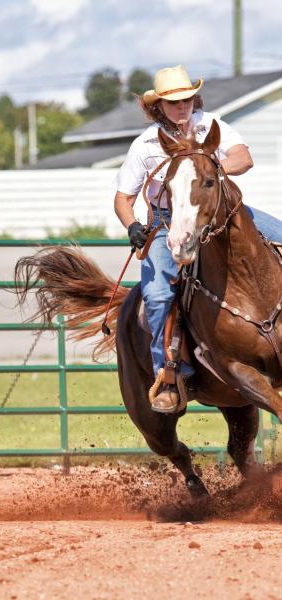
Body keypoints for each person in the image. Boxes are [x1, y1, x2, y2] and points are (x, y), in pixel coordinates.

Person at [114, 64, 282, 413]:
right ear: (158, 105)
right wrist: (133, 226)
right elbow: (123, 198)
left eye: (187, 98)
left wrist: (214, 168)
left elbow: (243, 157)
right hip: (167, 221)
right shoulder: (145, 145)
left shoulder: (210, 125)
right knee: (158, 294)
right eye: (174, 101)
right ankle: (170, 372)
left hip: (220, 210)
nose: (183, 106)